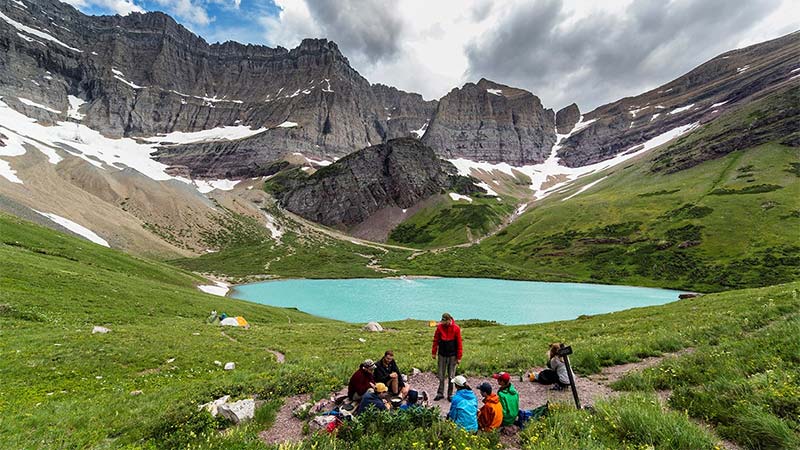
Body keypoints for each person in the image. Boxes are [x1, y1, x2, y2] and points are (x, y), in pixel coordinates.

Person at [432, 312, 463, 401]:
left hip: (452, 355)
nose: (443, 323)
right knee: (441, 375)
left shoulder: (456, 328)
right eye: (443, 321)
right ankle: (440, 393)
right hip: (442, 354)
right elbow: (435, 340)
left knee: (451, 376)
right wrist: (434, 352)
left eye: (445, 321)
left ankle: (450, 394)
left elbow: (459, 343)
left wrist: (459, 357)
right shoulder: (439, 327)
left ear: (449, 320)